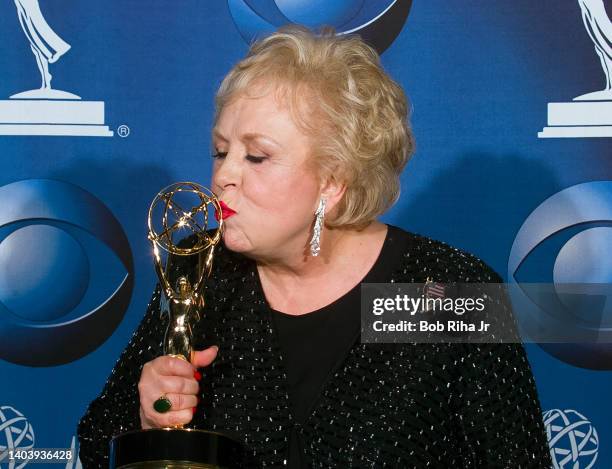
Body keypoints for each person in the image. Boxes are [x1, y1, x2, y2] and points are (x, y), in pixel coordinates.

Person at [78, 26, 552, 468]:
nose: (224, 175)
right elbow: (99, 439)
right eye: (221, 151)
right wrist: (149, 419)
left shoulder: (453, 291)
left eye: (257, 156)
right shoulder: (199, 265)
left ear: (333, 181)